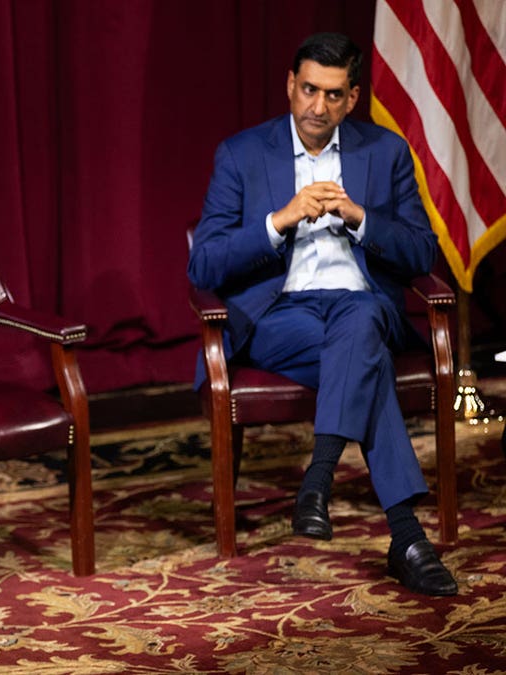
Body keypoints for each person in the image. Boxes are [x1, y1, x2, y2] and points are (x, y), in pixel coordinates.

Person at [187, 33, 457, 596]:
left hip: (360, 304)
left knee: (360, 318)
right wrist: (279, 220)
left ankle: (318, 479)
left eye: (334, 95)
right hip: (278, 316)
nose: (318, 106)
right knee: (366, 359)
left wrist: (360, 217)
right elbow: (205, 264)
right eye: (309, 89)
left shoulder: (384, 151)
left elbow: (420, 253)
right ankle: (407, 539)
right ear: (291, 84)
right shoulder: (241, 154)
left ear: (352, 98)